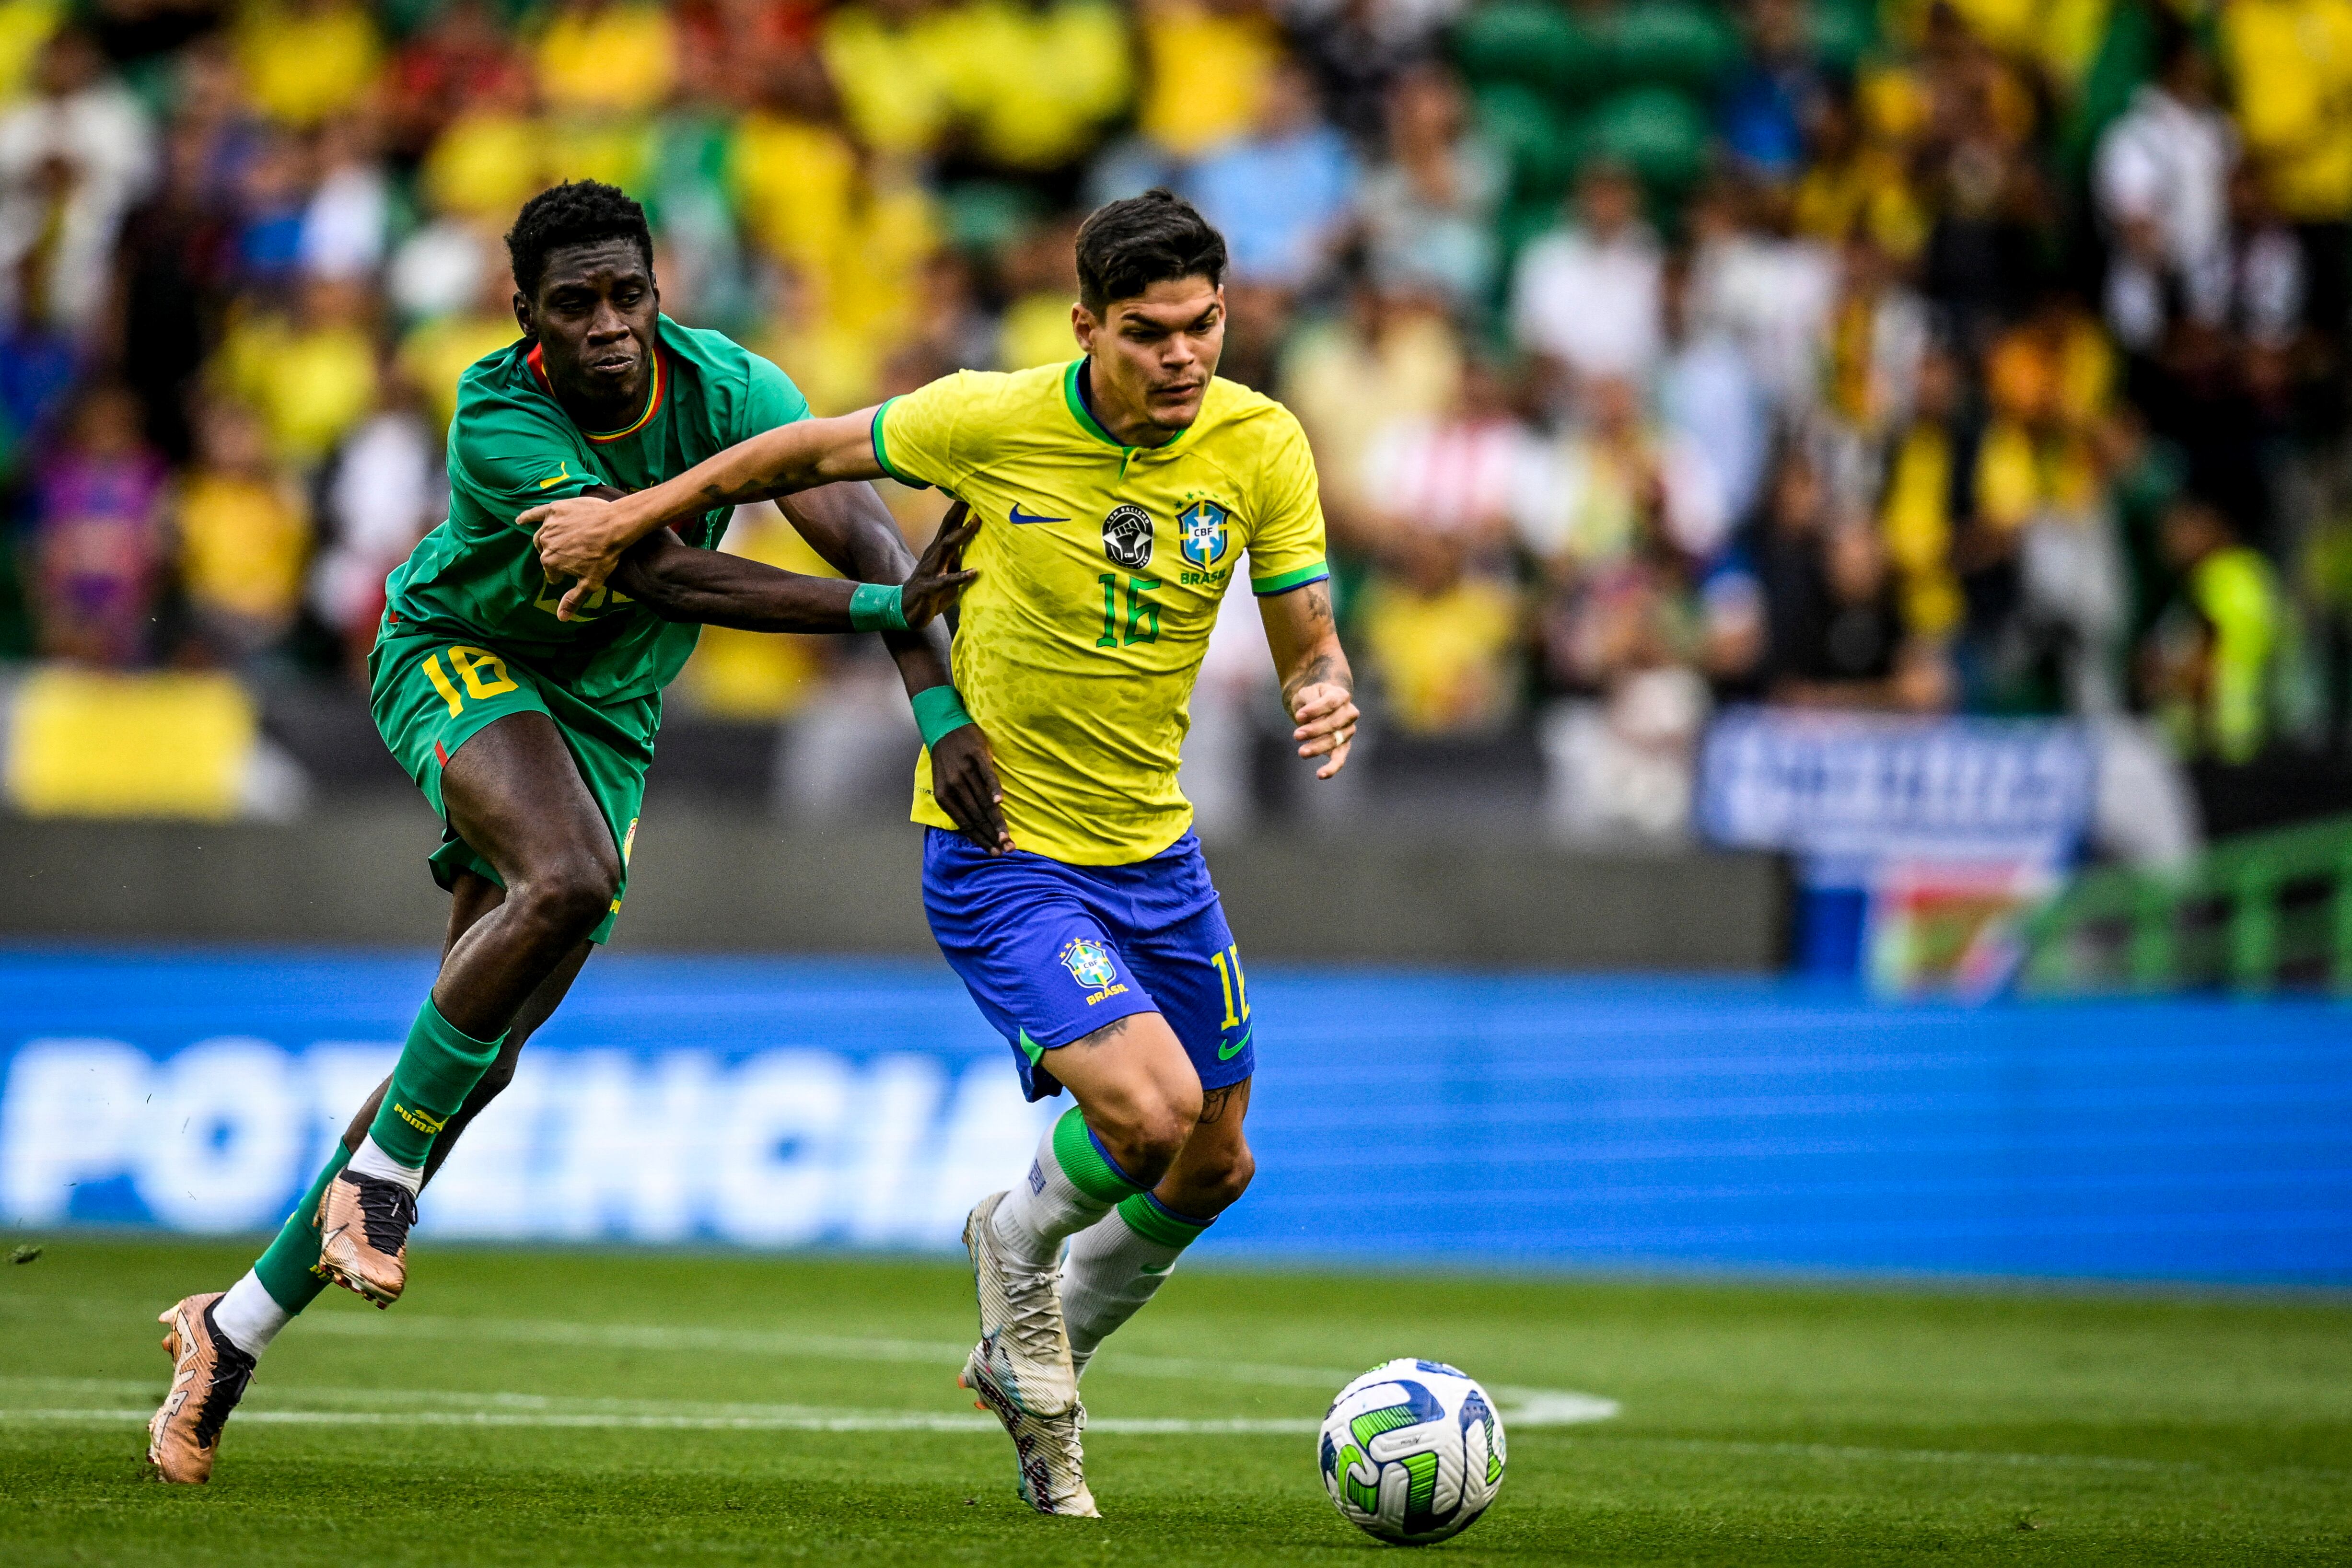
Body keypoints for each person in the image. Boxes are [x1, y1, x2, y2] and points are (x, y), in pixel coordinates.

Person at [145, 180, 1001, 1486]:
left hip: (602, 716)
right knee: (566, 874)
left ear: (660, 294)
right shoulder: (499, 416)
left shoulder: (731, 387)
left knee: (472, 1058)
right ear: (526, 318)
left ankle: (234, 1328)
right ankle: (374, 1183)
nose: (607, 327)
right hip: (461, 657)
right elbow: (655, 568)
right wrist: (874, 605)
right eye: (575, 305)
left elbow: (856, 516)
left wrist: (939, 706)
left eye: (627, 298)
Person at [524, 189, 1358, 1517]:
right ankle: (1011, 1246)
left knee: (1216, 1159)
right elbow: (785, 457)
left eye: (1204, 327)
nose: (1185, 358)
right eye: (1149, 334)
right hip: (1006, 848)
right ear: (1085, 326)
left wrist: (1320, 680)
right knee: (1145, 1115)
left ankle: (1037, 1353)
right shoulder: (990, 416)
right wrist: (631, 522)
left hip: (1158, 856)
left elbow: (1306, 618)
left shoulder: (1261, 444)